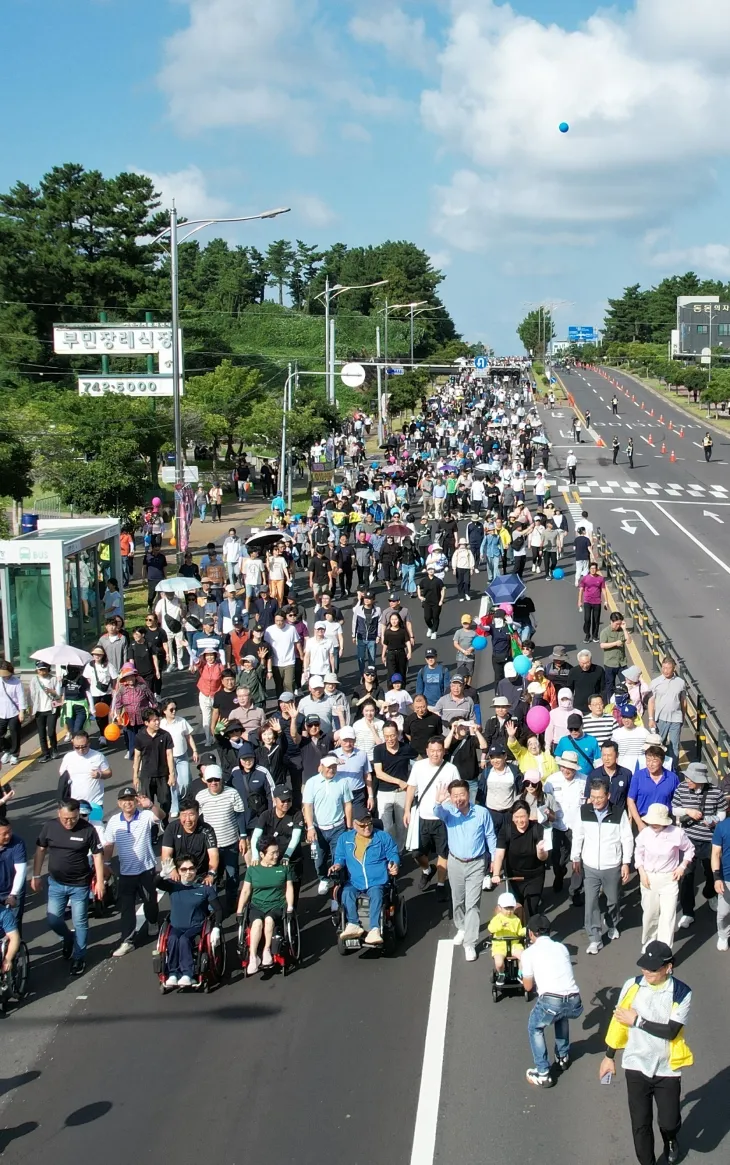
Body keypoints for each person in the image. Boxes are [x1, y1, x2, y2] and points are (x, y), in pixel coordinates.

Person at [600, 941, 691, 1165]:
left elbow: (671, 1031)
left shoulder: (682, 993)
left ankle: (670, 1138)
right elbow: (619, 1022)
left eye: (652, 968)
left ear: (668, 967)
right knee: (640, 1124)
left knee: (669, 1122)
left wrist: (637, 1020)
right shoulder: (632, 985)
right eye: (644, 966)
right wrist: (609, 1056)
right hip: (636, 1065)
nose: (646, 971)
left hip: (666, 1068)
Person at [32, 799, 105, 976]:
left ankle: (79, 957)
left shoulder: (87, 830)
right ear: (59, 813)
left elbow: (97, 855)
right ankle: (67, 938)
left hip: (80, 884)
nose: (69, 822)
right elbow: (40, 849)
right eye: (65, 818)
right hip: (56, 883)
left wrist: (100, 881)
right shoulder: (50, 827)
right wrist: (35, 875)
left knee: (80, 921)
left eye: (73, 818)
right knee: (53, 919)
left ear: (78, 814)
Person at [434, 779, 497, 962]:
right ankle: (461, 927)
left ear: (468, 794)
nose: (459, 799)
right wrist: (438, 801)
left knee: (473, 904)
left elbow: (490, 835)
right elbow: (437, 812)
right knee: (458, 900)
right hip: (455, 862)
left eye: (462, 794)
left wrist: (493, 859)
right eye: (455, 796)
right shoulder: (449, 812)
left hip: (476, 863)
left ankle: (470, 942)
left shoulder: (481, 812)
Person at [572, 778, 633, 954]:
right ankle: (595, 938)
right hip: (590, 866)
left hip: (612, 865)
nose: (596, 801)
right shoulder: (584, 811)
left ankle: (612, 923)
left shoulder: (619, 812)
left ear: (608, 795)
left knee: (613, 901)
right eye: (593, 797)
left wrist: (626, 863)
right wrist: (575, 857)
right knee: (591, 903)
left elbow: (627, 839)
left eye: (600, 797)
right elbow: (578, 835)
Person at [521, 914, 583, 1088]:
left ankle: (543, 1073)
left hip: (551, 1001)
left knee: (535, 1027)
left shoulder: (529, 953)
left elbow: (527, 987)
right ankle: (563, 1057)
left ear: (531, 934)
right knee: (560, 1015)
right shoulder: (561, 947)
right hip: (574, 1001)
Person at [103, 786, 164, 956]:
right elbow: (109, 844)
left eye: (131, 799)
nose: (128, 803)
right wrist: (106, 863)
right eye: (124, 800)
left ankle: (152, 921)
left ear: (135, 801)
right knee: (127, 907)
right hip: (126, 873)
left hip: (146, 869)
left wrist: (150, 805)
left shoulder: (145, 816)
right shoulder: (114, 821)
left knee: (150, 901)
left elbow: (161, 816)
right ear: (119, 803)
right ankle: (127, 940)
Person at [331, 810, 400, 945]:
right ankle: (353, 924)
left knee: (376, 895)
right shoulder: (345, 839)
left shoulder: (382, 837)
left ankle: (374, 928)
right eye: (362, 826)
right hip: (355, 881)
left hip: (377, 880)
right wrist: (337, 866)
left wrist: (394, 864)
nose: (367, 828)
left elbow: (393, 853)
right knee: (346, 893)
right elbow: (339, 857)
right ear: (354, 825)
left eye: (369, 824)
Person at [672, 761, 725, 929]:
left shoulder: (716, 792)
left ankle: (710, 894)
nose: (687, 780)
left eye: (691, 778)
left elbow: (722, 813)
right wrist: (688, 811)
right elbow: (674, 809)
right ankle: (688, 912)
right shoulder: (681, 789)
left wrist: (714, 820)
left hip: (710, 840)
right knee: (687, 877)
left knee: (712, 872)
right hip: (688, 840)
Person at [404, 736, 458, 899]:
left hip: (443, 818)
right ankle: (427, 870)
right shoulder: (419, 766)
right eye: (432, 751)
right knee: (417, 853)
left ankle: (441, 884)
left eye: (439, 751)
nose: (435, 754)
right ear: (427, 751)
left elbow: (457, 791)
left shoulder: (451, 769)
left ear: (444, 752)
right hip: (422, 817)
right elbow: (411, 788)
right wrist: (407, 810)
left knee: (443, 853)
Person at [635, 803, 694, 949]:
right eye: (652, 821)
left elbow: (689, 849)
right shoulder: (645, 834)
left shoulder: (676, 833)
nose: (654, 824)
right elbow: (638, 853)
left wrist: (682, 867)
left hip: (669, 879)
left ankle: (664, 950)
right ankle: (650, 942)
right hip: (648, 877)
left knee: (667, 917)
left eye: (657, 821)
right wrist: (641, 872)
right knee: (650, 914)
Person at [237, 836, 295, 974]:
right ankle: (253, 957)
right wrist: (239, 911)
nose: (276, 855)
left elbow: (289, 888)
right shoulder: (253, 870)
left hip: (277, 905)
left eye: (277, 852)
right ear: (262, 854)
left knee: (269, 921)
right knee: (256, 923)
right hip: (257, 905)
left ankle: (267, 950)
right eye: (272, 853)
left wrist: (290, 907)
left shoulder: (283, 868)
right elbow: (245, 891)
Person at [196, 764, 247, 914]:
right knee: (211, 876)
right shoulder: (200, 796)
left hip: (231, 842)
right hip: (211, 846)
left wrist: (243, 837)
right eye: (210, 780)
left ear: (221, 779)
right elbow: (197, 819)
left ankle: (231, 904)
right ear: (205, 781)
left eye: (216, 779)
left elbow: (239, 815)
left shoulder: (232, 793)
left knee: (232, 876)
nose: (213, 783)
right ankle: (213, 908)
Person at [303, 756, 354, 894]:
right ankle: (324, 878)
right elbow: (308, 806)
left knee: (338, 860)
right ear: (322, 766)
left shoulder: (342, 781)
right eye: (329, 767)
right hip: (318, 829)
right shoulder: (311, 782)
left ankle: (338, 889)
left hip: (338, 827)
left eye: (334, 767)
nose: (332, 770)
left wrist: (349, 827)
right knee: (318, 861)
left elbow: (347, 804)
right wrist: (310, 827)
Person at [491, 801, 549, 918]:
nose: (520, 820)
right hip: (513, 876)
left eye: (523, 816)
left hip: (534, 876)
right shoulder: (506, 830)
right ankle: (518, 933)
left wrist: (540, 851)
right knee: (515, 909)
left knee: (530, 909)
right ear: (512, 817)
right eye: (516, 817)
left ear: (528, 815)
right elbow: (499, 854)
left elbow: (544, 858)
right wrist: (496, 874)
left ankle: (529, 933)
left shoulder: (538, 829)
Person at [251, 785, 304, 905]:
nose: (286, 803)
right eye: (283, 801)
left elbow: (295, 838)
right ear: (275, 800)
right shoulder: (266, 815)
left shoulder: (296, 814)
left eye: (289, 800)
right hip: (272, 858)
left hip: (291, 858)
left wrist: (286, 856)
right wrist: (255, 856)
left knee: (293, 890)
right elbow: (256, 836)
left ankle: (291, 914)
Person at [372, 723, 414, 850]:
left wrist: (411, 781)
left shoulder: (406, 748)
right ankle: (388, 851)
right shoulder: (378, 750)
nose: (389, 739)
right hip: (384, 793)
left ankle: (399, 851)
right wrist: (399, 781)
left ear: (398, 734)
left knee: (402, 825)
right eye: (386, 736)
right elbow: (379, 773)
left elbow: (419, 761)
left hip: (402, 793)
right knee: (386, 825)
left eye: (392, 735)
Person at [58, 730, 111, 821]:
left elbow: (109, 773)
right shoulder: (68, 757)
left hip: (95, 803)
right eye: (77, 747)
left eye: (84, 746)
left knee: (95, 828)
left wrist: (100, 774)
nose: (81, 750)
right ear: (72, 743)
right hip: (75, 804)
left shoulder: (98, 756)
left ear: (89, 743)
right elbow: (62, 775)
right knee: (78, 831)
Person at [161, 798, 219, 880]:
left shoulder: (207, 829)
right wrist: (172, 871)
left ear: (198, 814)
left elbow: (213, 854)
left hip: (200, 875)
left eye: (191, 815)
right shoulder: (172, 828)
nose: (187, 819)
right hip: (178, 874)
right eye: (184, 815)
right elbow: (166, 854)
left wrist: (211, 874)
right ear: (179, 815)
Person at [627, 745, 680, 833]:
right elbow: (630, 800)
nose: (650, 764)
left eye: (654, 761)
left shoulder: (672, 778)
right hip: (642, 821)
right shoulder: (638, 776)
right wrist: (639, 823)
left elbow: (678, 801)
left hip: (664, 823)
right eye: (648, 760)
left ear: (662, 761)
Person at [646, 658, 686, 768]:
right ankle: (658, 767)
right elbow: (651, 701)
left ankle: (672, 769)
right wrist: (651, 719)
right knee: (659, 744)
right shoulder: (655, 682)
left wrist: (683, 716)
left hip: (676, 718)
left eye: (668, 668)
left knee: (674, 746)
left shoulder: (681, 683)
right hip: (661, 719)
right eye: (664, 668)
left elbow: (683, 701)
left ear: (674, 668)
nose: (666, 671)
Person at [0, 820, 25, 979]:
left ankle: (11, 961)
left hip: (11, 891)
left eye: (9, 831)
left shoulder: (17, 843)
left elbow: (20, 871)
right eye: (4, 834)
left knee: (12, 925)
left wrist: (13, 894)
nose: (8, 836)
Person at [487, 891, 526, 982]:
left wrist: (525, 931)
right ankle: (501, 973)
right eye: (506, 908)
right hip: (499, 946)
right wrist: (500, 926)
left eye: (511, 908)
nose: (509, 911)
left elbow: (519, 931)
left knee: (524, 957)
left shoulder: (516, 919)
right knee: (499, 963)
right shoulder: (497, 919)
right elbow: (491, 928)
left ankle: (521, 973)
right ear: (500, 908)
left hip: (514, 945)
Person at [30, 660, 61, 763]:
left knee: (51, 731)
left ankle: (54, 749)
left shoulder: (53, 679)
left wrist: (53, 692)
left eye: (44, 669)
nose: (42, 672)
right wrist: (30, 709)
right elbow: (31, 696)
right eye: (40, 670)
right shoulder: (34, 680)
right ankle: (45, 753)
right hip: (39, 710)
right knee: (41, 733)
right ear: (37, 670)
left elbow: (59, 695)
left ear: (48, 669)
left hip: (51, 709)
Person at [0, 660, 26, 767]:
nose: (4, 676)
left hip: (14, 712)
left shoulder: (16, 682)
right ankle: (6, 750)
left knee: (15, 733)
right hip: (1, 712)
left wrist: (22, 712)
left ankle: (15, 754)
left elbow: (21, 697)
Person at [599, 611, 631, 700]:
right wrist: (615, 643)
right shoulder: (605, 632)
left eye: (620, 624)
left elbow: (628, 641)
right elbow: (602, 645)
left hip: (622, 663)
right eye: (617, 624)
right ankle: (611, 702)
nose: (618, 626)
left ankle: (626, 700)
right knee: (610, 685)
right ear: (611, 622)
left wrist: (624, 629)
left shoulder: (621, 630)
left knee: (626, 683)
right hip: (610, 663)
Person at [566, 649, 605, 713]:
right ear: (579, 661)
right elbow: (570, 689)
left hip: (595, 706)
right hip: (578, 707)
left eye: (587, 662)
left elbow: (603, 689)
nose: (585, 665)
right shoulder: (573, 671)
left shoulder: (599, 670)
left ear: (591, 660)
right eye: (583, 663)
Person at [578, 561, 608, 643]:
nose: (593, 570)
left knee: (596, 620)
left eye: (594, 568)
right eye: (591, 568)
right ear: (589, 569)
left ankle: (595, 636)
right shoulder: (585, 578)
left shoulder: (601, 579)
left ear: (597, 569)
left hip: (597, 602)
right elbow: (581, 590)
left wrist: (606, 601)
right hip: (587, 601)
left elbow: (603, 590)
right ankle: (587, 635)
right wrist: (579, 601)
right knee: (587, 619)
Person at [417, 563, 445, 640]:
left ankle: (434, 632)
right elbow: (419, 587)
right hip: (427, 602)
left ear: (434, 570)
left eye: (432, 569)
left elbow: (443, 590)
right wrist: (420, 596)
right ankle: (430, 627)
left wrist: (441, 600)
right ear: (427, 571)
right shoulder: (424, 580)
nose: (431, 571)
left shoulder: (438, 580)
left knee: (435, 617)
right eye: (429, 569)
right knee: (427, 617)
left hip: (436, 602)